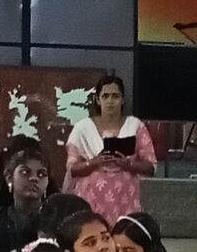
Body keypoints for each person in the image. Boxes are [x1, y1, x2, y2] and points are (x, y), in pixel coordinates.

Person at [66, 73, 156, 223]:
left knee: (124, 234)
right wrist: (94, 162)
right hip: (90, 200)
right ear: (97, 100)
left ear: (122, 99)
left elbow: (151, 167)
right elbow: (72, 169)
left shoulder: (135, 126)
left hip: (126, 202)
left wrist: (129, 165)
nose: (110, 101)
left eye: (115, 96)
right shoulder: (82, 128)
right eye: (105, 96)